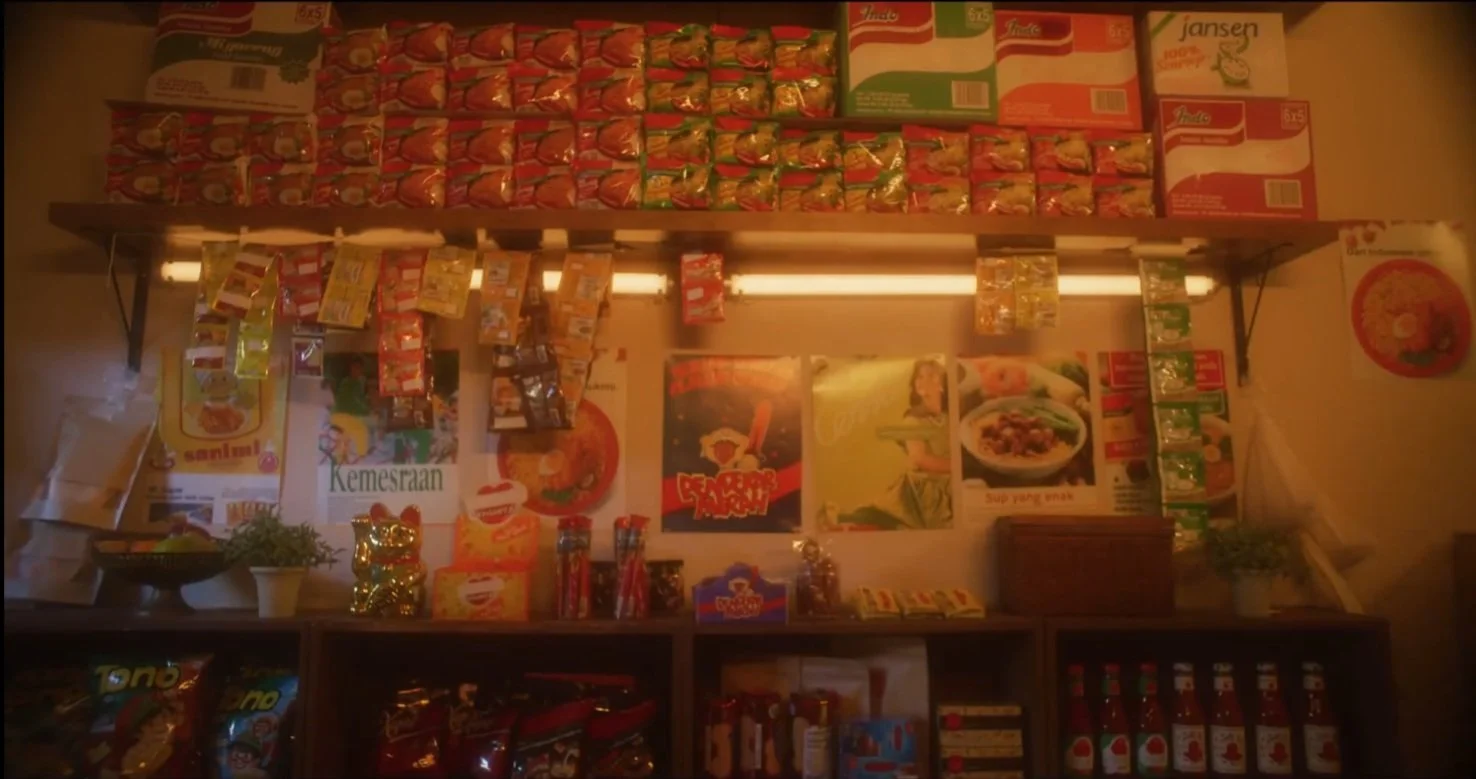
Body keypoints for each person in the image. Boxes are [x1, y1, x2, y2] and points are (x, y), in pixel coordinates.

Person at [837, 358, 953, 530]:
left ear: (942, 384)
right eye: (919, 376)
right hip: (924, 490)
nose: (923, 380)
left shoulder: (948, 418)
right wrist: (956, 467)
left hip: (948, 483)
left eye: (931, 375)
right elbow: (919, 458)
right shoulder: (913, 419)